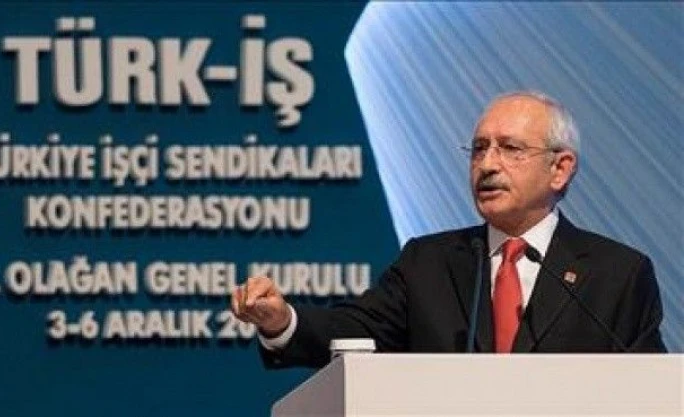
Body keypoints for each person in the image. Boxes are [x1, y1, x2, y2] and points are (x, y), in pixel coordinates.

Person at [231, 91, 667, 368]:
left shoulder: (618, 274)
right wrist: (283, 321)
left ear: (560, 169)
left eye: (510, 148)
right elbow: (354, 331)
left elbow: (653, 396)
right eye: (478, 149)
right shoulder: (428, 263)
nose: (487, 164)